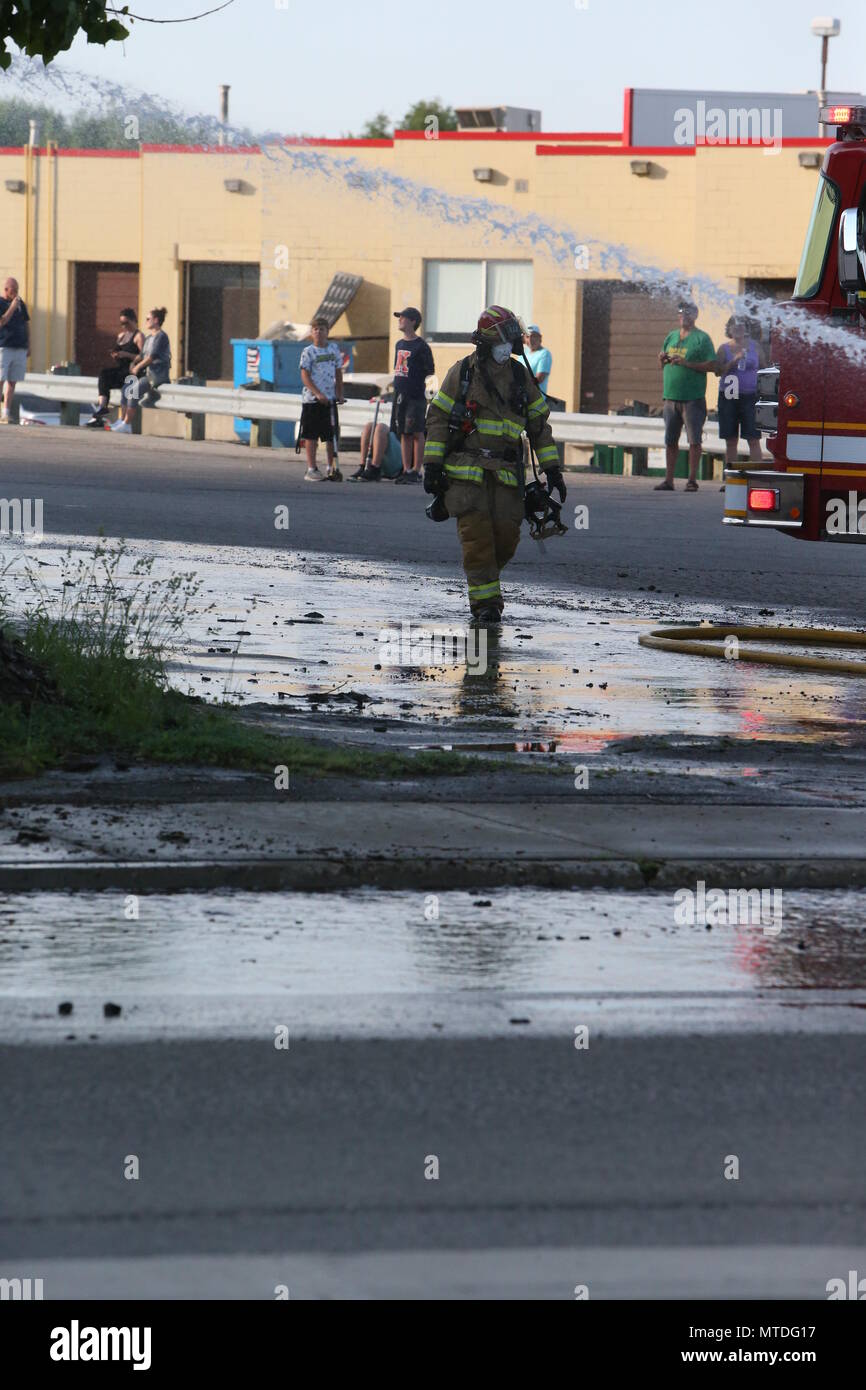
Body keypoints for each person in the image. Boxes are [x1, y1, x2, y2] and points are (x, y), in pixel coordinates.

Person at [423, 304, 563, 627]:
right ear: (487, 342)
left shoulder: (519, 376)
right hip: (466, 477)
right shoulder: (463, 373)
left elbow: (539, 425)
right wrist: (432, 465)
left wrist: (552, 469)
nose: (506, 348)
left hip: (506, 477)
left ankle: (484, 583)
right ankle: (486, 607)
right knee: (477, 541)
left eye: (509, 342)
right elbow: (439, 418)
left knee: (506, 539)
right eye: (502, 341)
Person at [656, 301, 715, 492]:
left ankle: (691, 480)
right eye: (680, 312)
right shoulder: (671, 336)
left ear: (695, 315)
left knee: (694, 440)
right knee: (670, 440)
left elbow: (712, 365)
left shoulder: (702, 339)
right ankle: (669, 480)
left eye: (687, 313)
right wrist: (662, 360)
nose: (683, 316)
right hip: (671, 397)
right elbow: (663, 366)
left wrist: (686, 363)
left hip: (693, 398)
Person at [388, 307, 435, 483]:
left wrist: (429, 396)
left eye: (403, 317)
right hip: (400, 395)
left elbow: (430, 372)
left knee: (416, 431)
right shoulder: (399, 344)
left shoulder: (421, 346)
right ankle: (406, 468)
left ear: (413, 321)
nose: (400, 320)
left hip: (416, 395)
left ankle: (417, 468)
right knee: (404, 432)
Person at [111, 307, 172, 433]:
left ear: (156, 320)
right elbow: (143, 355)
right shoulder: (149, 338)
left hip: (157, 376)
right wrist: (133, 362)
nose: (146, 321)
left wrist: (138, 367)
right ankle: (124, 422)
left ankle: (126, 424)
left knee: (133, 392)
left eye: (148, 319)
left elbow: (152, 357)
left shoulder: (161, 337)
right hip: (148, 375)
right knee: (128, 389)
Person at [298, 316, 344, 481]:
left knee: (330, 435)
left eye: (322, 329)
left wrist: (339, 393)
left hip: (330, 400)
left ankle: (331, 467)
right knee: (311, 435)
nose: (318, 332)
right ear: (311, 333)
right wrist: (317, 393)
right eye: (315, 329)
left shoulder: (333, 349)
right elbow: (305, 375)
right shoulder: (308, 352)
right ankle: (311, 468)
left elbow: (338, 372)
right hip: (312, 400)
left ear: (327, 332)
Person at [715, 316, 763, 473]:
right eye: (734, 326)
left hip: (750, 395)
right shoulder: (724, 348)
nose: (738, 329)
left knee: (753, 438)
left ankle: (756, 476)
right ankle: (730, 477)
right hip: (730, 394)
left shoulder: (755, 347)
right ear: (729, 329)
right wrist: (734, 361)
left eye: (741, 326)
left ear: (747, 329)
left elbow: (764, 368)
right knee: (731, 439)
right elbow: (717, 371)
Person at [87, 308, 145, 427]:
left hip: (131, 371)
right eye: (122, 323)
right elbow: (117, 351)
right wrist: (115, 355)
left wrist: (127, 355)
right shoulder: (121, 336)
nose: (124, 326)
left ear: (134, 321)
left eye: (126, 323)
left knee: (114, 377)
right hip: (120, 369)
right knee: (104, 374)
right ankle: (102, 407)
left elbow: (143, 356)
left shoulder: (139, 336)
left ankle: (123, 421)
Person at [0, 276, 30, 424]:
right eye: (14, 289)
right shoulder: (1, 303)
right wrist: (12, 306)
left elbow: (26, 323)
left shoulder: (21, 304)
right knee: (1, 379)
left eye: (18, 289)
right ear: (6, 289)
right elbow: (2, 321)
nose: (17, 292)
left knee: (12, 381)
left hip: (20, 347)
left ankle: (6, 412)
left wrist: (28, 344)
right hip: (4, 346)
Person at [524, 324, 552, 397]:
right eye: (527, 336)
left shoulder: (545, 354)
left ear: (540, 338)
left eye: (533, 336)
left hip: (536, 399)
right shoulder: (523, 353)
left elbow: (539, 379)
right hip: (522, 397)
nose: (530, 339)